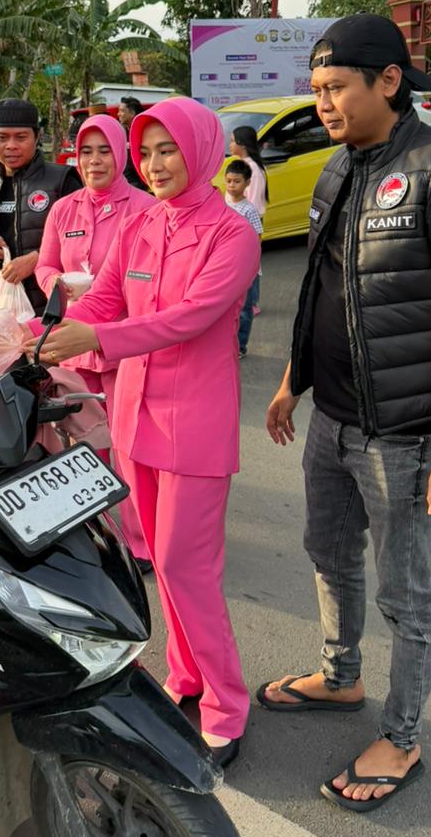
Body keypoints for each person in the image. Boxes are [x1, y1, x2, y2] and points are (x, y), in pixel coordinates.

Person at [259, 12, 431, 812]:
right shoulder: (339, 168)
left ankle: (402, 736)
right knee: (328, 553)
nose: (323, 103)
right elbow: (325, 288)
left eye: (337, 87)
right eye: (317, 89)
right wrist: (293, 379)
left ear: (389, 81)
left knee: (405, 591)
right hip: (331, 419)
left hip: (405, 434)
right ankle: (341, 678)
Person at [29, 97, 259, 765]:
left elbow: (191, 317)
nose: (156, 165)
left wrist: (97, 337)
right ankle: (186, 677)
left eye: (169, 151)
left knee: (188, 566)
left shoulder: (232, 234)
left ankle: (226, 703)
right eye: (148, 152)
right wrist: (33, 333)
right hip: (133, 414)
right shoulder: (142, 223)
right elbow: (104, 297)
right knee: (157, 560)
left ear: (202, 152)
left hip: (194, 422)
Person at [34, 113, 153, 568]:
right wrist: (58, 286)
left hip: (125, 344)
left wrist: (105, 291)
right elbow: (45, 264)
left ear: (122, 154)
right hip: (73, 344)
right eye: (86, 151)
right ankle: (96, 533)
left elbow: (149, 275)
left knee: (128, 446)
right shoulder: (64, 209)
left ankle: (140, 541)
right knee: (83, 445)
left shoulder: (144, 207)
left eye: (105, 150)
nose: (95, 160)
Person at [0, 98, 81, 317]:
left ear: (37, 137)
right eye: (2, 137)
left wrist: (37, 260)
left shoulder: (62, 180)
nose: (11, 145)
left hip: (46, 305)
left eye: (20, 137)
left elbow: (82, 241)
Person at [223, 159, 263, 359]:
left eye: (237, 181)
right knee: (226, 309)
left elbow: (257, 239)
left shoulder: (249, 210)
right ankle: (227, 344)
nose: (232, 185)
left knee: (245, 310)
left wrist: (250, 265)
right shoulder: (222, 204)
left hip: (247, 269)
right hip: (226, 267)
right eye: (229, 181)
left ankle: (240, 346)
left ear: (247, 183)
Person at [228, 125, 267, 218]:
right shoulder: (242, 164)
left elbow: (253, 201)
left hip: (247, 220)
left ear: (243, 144)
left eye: (232, 141)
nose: (230, 145)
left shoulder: (254, 168)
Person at [117, 96, 148, 191]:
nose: (118, 114)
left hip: (139, 184)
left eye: (122, 111)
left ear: (132, 113)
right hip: (125, 182)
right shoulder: (122, 133)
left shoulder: (143, 132)